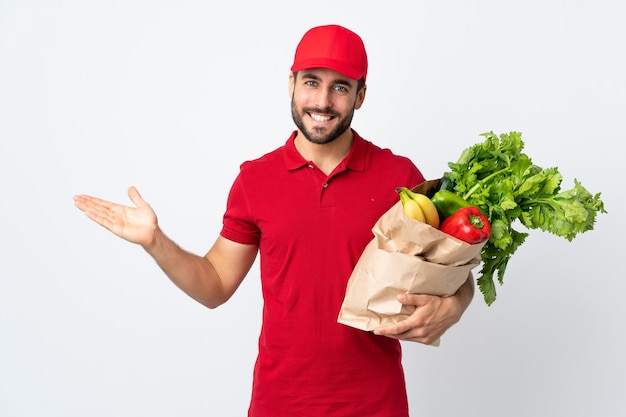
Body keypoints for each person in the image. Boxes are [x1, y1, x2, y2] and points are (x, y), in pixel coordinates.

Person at [74, 24, 474, 417]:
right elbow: (215, 286)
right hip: (280, 403)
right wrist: (154, 241)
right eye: (311, 82)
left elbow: (450, 270)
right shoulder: (255, 180)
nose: (322, 101)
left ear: (361, 95)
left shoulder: (400, 178)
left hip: (375, 404)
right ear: (291, 85)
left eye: (340, 87)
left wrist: (455, 306)